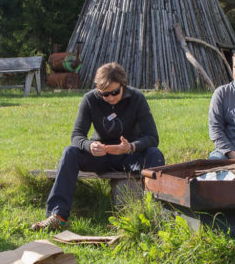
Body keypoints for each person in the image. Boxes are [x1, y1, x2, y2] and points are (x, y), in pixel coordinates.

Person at [32, 62, 164, 230]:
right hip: (101, 156)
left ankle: (156, 213)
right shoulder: (90, 99)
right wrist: (90, 145)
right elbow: (77, 135)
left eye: (114, 92)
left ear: (123, 86)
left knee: (155, 153)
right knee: (70, 152)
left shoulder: (137, 98)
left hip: (129, 155)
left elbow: (152, 137)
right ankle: (57, 216)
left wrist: (131, 147)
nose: (110, 98)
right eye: (104, 94)